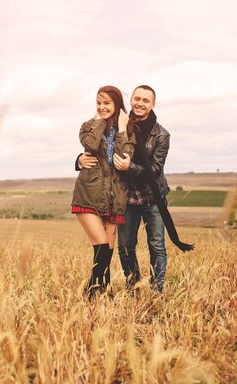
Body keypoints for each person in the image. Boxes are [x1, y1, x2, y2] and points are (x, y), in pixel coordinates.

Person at [78, 85, 190, 293]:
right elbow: (104, 152)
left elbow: (155, 168)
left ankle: (156, 290)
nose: (140, 103)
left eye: (145, 100)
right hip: (126, 196)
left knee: (156, 245)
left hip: (152, 196)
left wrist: (130, 167)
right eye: (137, 98)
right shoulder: (123, 124)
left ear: (153, 105)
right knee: (125, 247)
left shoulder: (161, 135)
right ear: (130, 101)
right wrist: (79, 159)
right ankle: (133, 288)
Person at [71, 85, 136, 298]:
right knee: (101, 247)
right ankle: (90, 296)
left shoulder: (128, 130)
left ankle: (102, 297)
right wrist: (99, 121)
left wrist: (123, 129)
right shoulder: (88, 126)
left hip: (114, 198)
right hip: (89, 194)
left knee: (107, 252)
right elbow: (89, 144)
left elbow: (124, 157)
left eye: (107, 103)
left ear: (117, 104)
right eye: (98, 103)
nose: (102, 107)